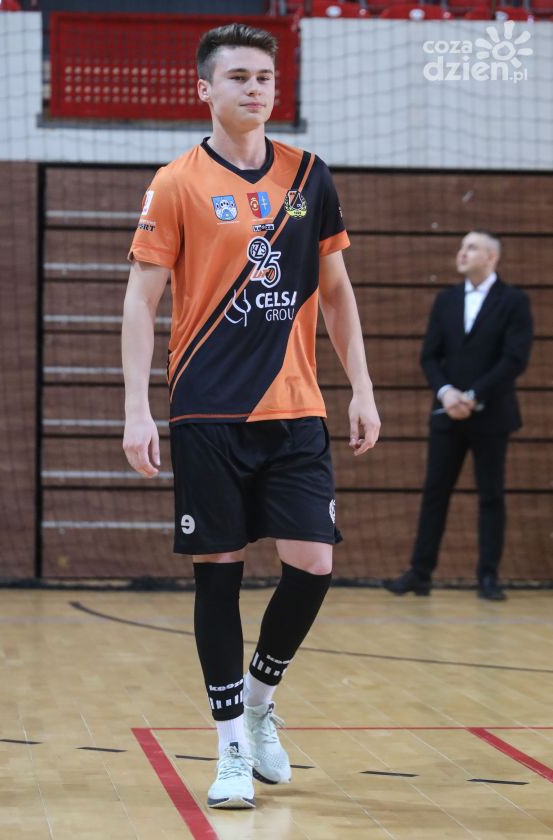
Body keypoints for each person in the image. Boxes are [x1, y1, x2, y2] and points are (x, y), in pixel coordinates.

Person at [121, 23, 380, 810]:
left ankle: (261, 701)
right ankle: (231, 745)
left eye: (264, 77)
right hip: (208, 410)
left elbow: (335, 291)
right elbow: (140, 301)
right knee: (220, 575)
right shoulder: (177, 182)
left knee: (313, 563)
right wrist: (136, 408)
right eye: (237, 77)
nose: (254, 88)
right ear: (205, 88)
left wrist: (362, 386)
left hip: (295, 409)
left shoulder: (308, 177)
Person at [384, 231, 533, 602]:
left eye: (472, 247)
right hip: (447, 414)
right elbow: (429, 356)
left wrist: (473, 394)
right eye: (462, 247)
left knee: (491, 496)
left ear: (491, 257)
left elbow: (514, 359)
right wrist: (447, 392)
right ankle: (420, 573)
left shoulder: (514, 301)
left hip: (492, 415)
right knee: (435, 493)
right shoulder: (446, 300)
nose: (462, 253)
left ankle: (488, 577)